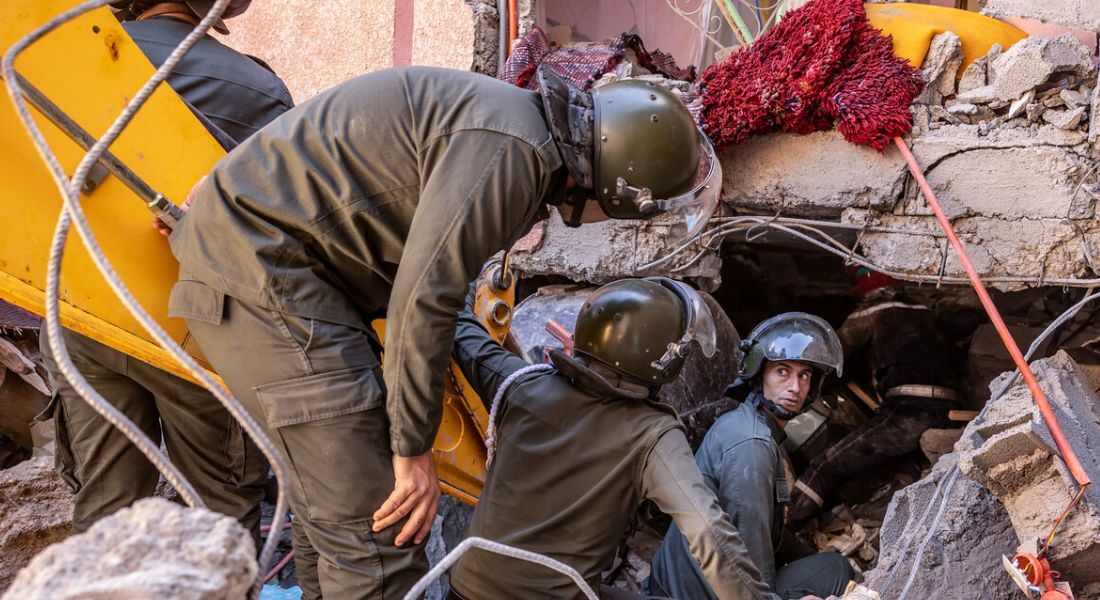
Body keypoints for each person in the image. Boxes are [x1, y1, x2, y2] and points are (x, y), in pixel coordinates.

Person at [165, 64, 721, 599]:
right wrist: (413, 451)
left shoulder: (514, 128)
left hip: (277, 269)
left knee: (331, 516)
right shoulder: (514, 153)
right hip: (270, 275)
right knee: (383, 528)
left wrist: (226, 187)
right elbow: (424, 297)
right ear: (621, 188)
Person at [39, 0, 292, 540]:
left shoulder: (66, 58)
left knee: (106, 512)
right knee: (218, 518)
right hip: (197, 327)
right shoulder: (259, 89)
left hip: (84, 313)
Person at [448, 277, 778, 600]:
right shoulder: (653, 434)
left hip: (463, 588)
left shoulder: (522, 385)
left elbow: (460, 331)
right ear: (664, 360)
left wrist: (461, 275)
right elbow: (709, 533)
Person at [649, 313, 854, 600]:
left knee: (824, 564)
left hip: (679, 584)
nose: (795, 387)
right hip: (701, 592)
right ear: (759, 374)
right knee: (837, 569)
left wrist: (806, 560)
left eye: (804, 375)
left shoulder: (750, 425)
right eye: (782, 371)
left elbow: (770, 538)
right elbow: (751, 560)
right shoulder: (752, 445)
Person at [787, 270, 962, 529]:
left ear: (863, 289)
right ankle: (891, 504)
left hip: (908, 407)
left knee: (825, 467)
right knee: (907, 457)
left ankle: (785, 526)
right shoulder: (925, 310)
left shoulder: (872, 310)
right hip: (950, 408)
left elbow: (833, 353)